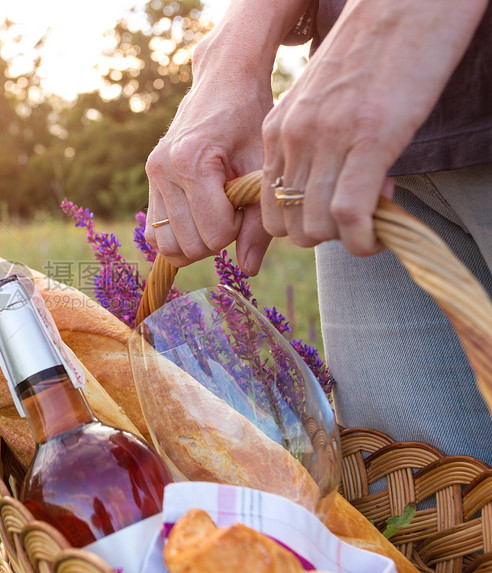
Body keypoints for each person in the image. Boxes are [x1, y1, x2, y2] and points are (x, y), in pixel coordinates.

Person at [144, 0, 492, 464]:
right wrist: (233, 50)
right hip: (355, 144)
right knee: (413, 509)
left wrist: (389, 18)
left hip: (391, 62)